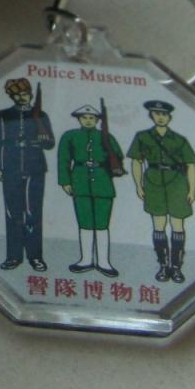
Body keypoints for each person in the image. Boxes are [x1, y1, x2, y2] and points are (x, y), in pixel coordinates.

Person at [127, 100, 195, 283]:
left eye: (164, 114)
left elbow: (191, 165)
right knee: (158, 225)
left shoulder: (179, 140)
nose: (160, 117)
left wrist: (192, 190)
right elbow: (136, 162)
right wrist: (138, 185)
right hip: (153, 183)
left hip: (177, 183)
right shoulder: (143, 137)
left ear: (169, 117)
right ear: (151, 115)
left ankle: (176, 267)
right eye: (156, 114)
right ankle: (163, 265)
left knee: (177, 225)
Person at [0, 78, 54, 271]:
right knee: (13, 213)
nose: (22, 97)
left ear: (31, 94)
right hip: (11, 167)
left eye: (25, 94)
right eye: (17, 95)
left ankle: (35, 257)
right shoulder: (2, 115)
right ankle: (13, 257)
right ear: (12, 97)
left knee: (34, 213)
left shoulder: (41, 115)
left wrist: (40, 138)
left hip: (35, 168)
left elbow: (50, 143)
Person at [57, 104, 124, 277]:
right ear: (79, 119)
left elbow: (118, 156)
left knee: (102, 224)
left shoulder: (106, 137)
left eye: (92, 118)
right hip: (80, 181)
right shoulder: (70, 136)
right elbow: (63, 159)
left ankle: (104, 262)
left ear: (97, 120)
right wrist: (65, 181)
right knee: (85, 223)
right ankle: (86, 260)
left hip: (103, 182)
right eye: (84, 118)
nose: (88, 121)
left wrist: (110, 160)